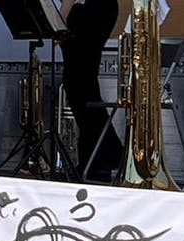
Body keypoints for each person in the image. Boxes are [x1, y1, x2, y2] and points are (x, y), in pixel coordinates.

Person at [60, 0, 124, 183]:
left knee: (79, 84)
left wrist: (61, 23)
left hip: (89, 10)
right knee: (83, 86)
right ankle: (99, 158)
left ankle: (105, 156)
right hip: (95, 9)